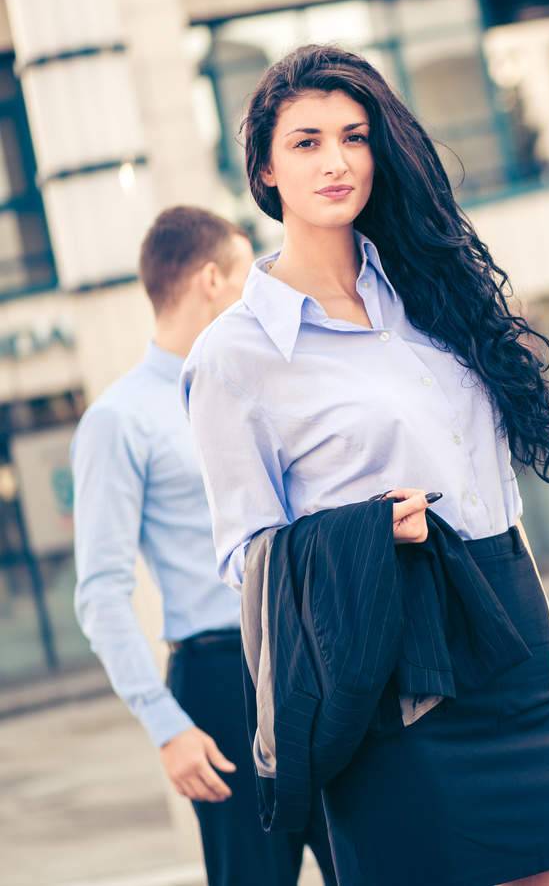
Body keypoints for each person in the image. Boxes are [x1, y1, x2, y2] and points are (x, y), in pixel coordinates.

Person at [180, 44, 549, 886]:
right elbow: (246, 557)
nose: (336, 160)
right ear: (264, 172)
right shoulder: (234, 355)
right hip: (392, 679)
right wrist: (363, 532)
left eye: (354, 136)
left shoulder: (432, 296)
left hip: (511, 645)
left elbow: (500, 511)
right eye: (306, 142)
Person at [72, 206, 335, 886]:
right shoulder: (118, 420)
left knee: (379, 864)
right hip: (222, 683)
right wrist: (166, 724)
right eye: (249, 271)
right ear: (212, 279)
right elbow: (101, 591)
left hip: (318, 659)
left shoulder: (268, 382)